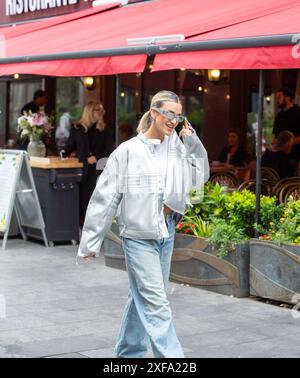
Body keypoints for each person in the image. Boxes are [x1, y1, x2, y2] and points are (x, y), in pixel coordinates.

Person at [78, 90, 209, 358]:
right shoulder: (127, 152)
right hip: (138, 236)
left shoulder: (178, 148)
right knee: (157, 302)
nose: (174, 120)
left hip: (167, 230)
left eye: (178, 115)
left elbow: (199, 180)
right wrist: (91, 242)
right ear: (154, 113)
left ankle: (127, 354)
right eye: (169, 113)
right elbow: (105, 198)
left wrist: (193, 143)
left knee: (144, 297)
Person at [62, 101, 108, 225]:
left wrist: (96, 157)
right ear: (90, 111)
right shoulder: (77, 128)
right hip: (82, 167)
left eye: (102, 110)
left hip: (96, 169)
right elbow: (69, 146)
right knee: (81, 195)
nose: (101, 113)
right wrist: (63, 153)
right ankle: (81, 222)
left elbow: (109, 149)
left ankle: (90, 223)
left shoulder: (103, 128)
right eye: (98, 110)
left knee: (92, 196)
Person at [272, 87, 300, 161]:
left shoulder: (298, 113)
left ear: (287, 98)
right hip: (279, 158)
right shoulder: (279, 116)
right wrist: (274, 144)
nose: (277, 100)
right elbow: (275, 137)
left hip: (295, 157)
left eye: (279, 97)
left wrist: (288, 143)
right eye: (276, 98)